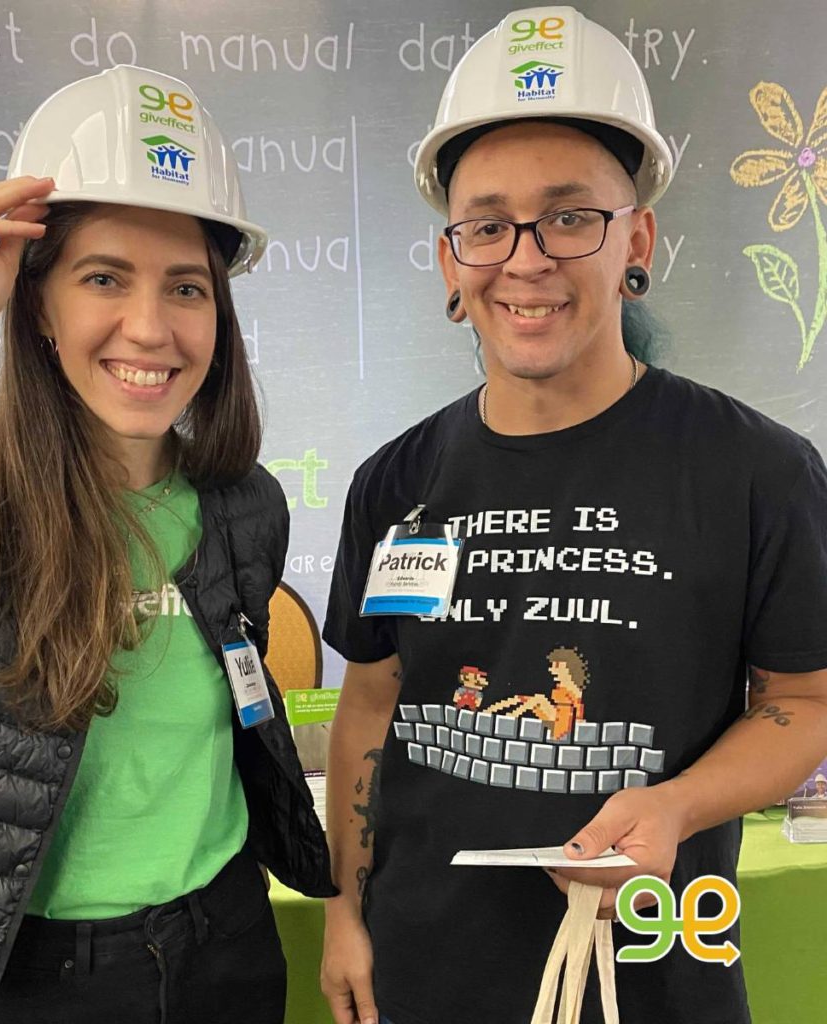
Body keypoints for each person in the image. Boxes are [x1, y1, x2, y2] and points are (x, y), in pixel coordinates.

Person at [319, 7, 827, 1024]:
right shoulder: (394, 482)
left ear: (635, 238)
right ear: (450, 259)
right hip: (426, 971)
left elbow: (805, 704)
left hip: (656, 968)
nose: (525, 257)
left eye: (567, 216)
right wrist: (343, 909)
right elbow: (369, 703)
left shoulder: (756, 471)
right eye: (487, 222)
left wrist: (676, 804)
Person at [0, 65, 332, 1024]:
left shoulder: (243, 501)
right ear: (38, 307)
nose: (151, 327)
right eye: (102, 278)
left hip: (229, 937)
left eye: (187, 288)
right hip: (46, 975)